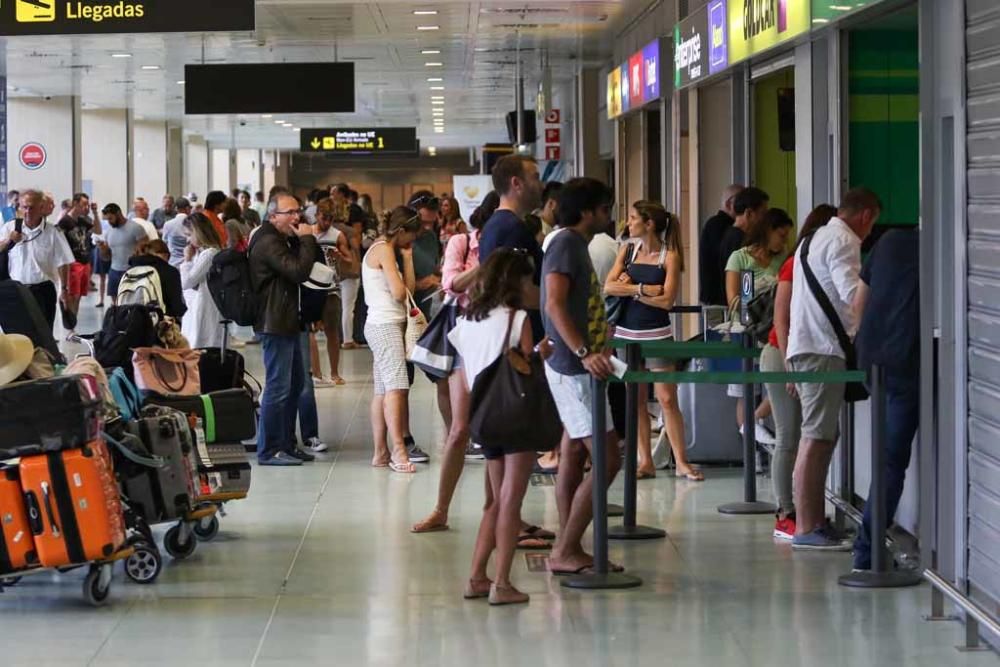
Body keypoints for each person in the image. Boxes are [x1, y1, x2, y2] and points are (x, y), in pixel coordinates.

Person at [453, 249, 554, 606]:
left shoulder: (465, 321)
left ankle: (477, 577)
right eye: (529, 279)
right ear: (516, 282)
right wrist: (543, 353)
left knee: (494, 502)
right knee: (511, 500)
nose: (533, 286)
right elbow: (526, 369)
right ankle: (502, 582)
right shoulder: (517, 319)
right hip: (516, 416)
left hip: (484, 418)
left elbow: (466, 378)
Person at [787, 188, 880, 550]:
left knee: (823, 435)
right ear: (866, 216)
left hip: (808, 345)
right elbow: (853, 295)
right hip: (822, 349)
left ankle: (810, 522)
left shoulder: (814, 238)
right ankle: (807, 527)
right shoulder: (843, 240)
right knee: (816, 437)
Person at [543, 177, 622, 575]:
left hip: (581, 364)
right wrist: (583, 351)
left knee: (575, 451)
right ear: (588, 210)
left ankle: (567, 543)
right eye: (605, 208)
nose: (609, 216)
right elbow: (555, 304)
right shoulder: (565, 244)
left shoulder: (574, 245)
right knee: (608, 458)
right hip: (574, 368)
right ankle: (566, 548)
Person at [605, 201, 703, 481]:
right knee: (634, 400)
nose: (628, 222)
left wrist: (630, 291)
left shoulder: (669, 255)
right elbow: (609, 286)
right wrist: (642, 289)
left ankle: (681, 461)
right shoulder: (627, 250)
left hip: (658, 334)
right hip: (626, 335)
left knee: (667, 399)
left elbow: (667, 301)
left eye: (634, 218)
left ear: (649, 224)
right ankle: (644, 460)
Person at [762, 204, 837, 540]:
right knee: (789, 436)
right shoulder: (796, 264)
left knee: (809, 435)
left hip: (794, 355)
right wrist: (789, 365)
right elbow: (781, 318)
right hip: (783, 355)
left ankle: (808, 511)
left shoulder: (813, 262)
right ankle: (785, 512)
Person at [850, 227, 919, 570]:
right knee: (892, 462)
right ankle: (868, 552)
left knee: (885, 459)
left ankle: (869, 548)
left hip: (873, 363)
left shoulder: (890, 241)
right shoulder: (941, 247)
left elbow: (858, 302)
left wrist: (866, 345)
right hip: (906, 364)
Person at [250, 193, 320, 466]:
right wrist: (307, 239)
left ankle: (287, 443)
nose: (296, 217)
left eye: (297, 211)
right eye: (289, 212)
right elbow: (298, 271)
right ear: (273, 216)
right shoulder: (268, 241)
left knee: (294, 385)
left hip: (287, 319)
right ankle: (268, 450)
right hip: (274, 322)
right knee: (278, 387)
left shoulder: (279, 238)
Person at [724, 205, 791, 446]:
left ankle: (752, 422)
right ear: (767, 231)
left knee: (778, 381)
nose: (784, 242)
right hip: (749, 327)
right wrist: (756, 295)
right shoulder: (741, 258)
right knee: (746, 389)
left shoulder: (783, 258)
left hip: (774, 329)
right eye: (781, 235)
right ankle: (750, 439)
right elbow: (735, 299)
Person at [363, 206, 419, 473]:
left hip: (382, 324)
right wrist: (400, 273)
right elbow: (400, 293)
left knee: (383, 390)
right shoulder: (384, 249)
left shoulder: (385, 249)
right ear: (401, 231)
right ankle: (398, 451)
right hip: (385, 324)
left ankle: (380, 452)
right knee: (397, 387)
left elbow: (410, 288)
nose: (413, 241)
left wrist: (407, 259)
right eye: (412, 236)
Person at [478, 155, 545, 340]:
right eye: (536, 177)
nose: (542, 185)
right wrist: (559, 301)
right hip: (521, 338)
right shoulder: (512, 229)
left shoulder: (495, 225)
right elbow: (521, 292)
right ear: (516, 183)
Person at [0, 190, 73, 330]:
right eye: (24, 207)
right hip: (17, 290)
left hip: (43, 291)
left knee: (43, 335)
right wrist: (9, 239)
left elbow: (63, 262)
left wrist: (64, 289)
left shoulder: (52, 232)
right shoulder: (9, 228)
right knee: (17, 335)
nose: (27, 211)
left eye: (31, 207)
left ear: (41, 208)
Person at [311, 197, 355, 385]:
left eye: (330, 219)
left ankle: (335, 372)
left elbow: (350, 259)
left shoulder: (337, 235)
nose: (326, 222)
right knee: (310, 331)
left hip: (331, 289)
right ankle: (317, 373)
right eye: (323, 218)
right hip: (311, 287)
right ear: (317, 215)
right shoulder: (308, 233)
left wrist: (339, 255)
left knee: (332, 331)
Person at [180, 214, 225, 347]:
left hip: (204, 307)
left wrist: (186, 260)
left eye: (189, 234)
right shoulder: (203, 253)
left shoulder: (209, 254)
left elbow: (187, 282)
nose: (188, 240)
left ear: (198, 232)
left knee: (201, 346)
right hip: (198, 306)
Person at [57, 192, 97, 337]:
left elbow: (98, 230)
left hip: (85, 262)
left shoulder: (83, 220)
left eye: (87, 204)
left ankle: (73, 325)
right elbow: (59, 243)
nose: (85, 207)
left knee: (79, 295)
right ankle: (70, 327)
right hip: (73, 262)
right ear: (75, 204)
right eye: (83, 204)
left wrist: (95, 213)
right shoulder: (64, 222)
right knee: (72, 295)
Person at [719, 186, 769, 302]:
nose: (765, 219)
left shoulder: (730, 235)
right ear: (749, 213)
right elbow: (746, 288)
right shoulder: (741, 244)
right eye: (763, 213)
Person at [700, 185, 744, 308]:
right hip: (719, 299)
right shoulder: (720, 227)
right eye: (741, 202)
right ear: (729, 203)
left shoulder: (717, 225)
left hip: (722, 297)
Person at [98, 203, 147, 306]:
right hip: (114, 271)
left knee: (132, 303)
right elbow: (106, 257)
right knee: (115, 303)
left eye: (111, 218)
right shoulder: (108, 232)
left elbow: (146, 251)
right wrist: (103, 249)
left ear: (118, 214)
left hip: (132, 271)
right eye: (107, 220)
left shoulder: (136, 228)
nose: (109, 222)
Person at [128, 239, 187, 321]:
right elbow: (177, 307)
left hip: (132, 321)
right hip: (162, 322)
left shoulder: (130, 270)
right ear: (166, 255)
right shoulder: (170, 271)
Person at [162, 197, 193, 267]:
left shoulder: (168, 224)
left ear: (176, 209)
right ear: (187, 209)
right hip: (189, 262)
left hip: (173, 263)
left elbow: (164, 243)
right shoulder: (193, 224)